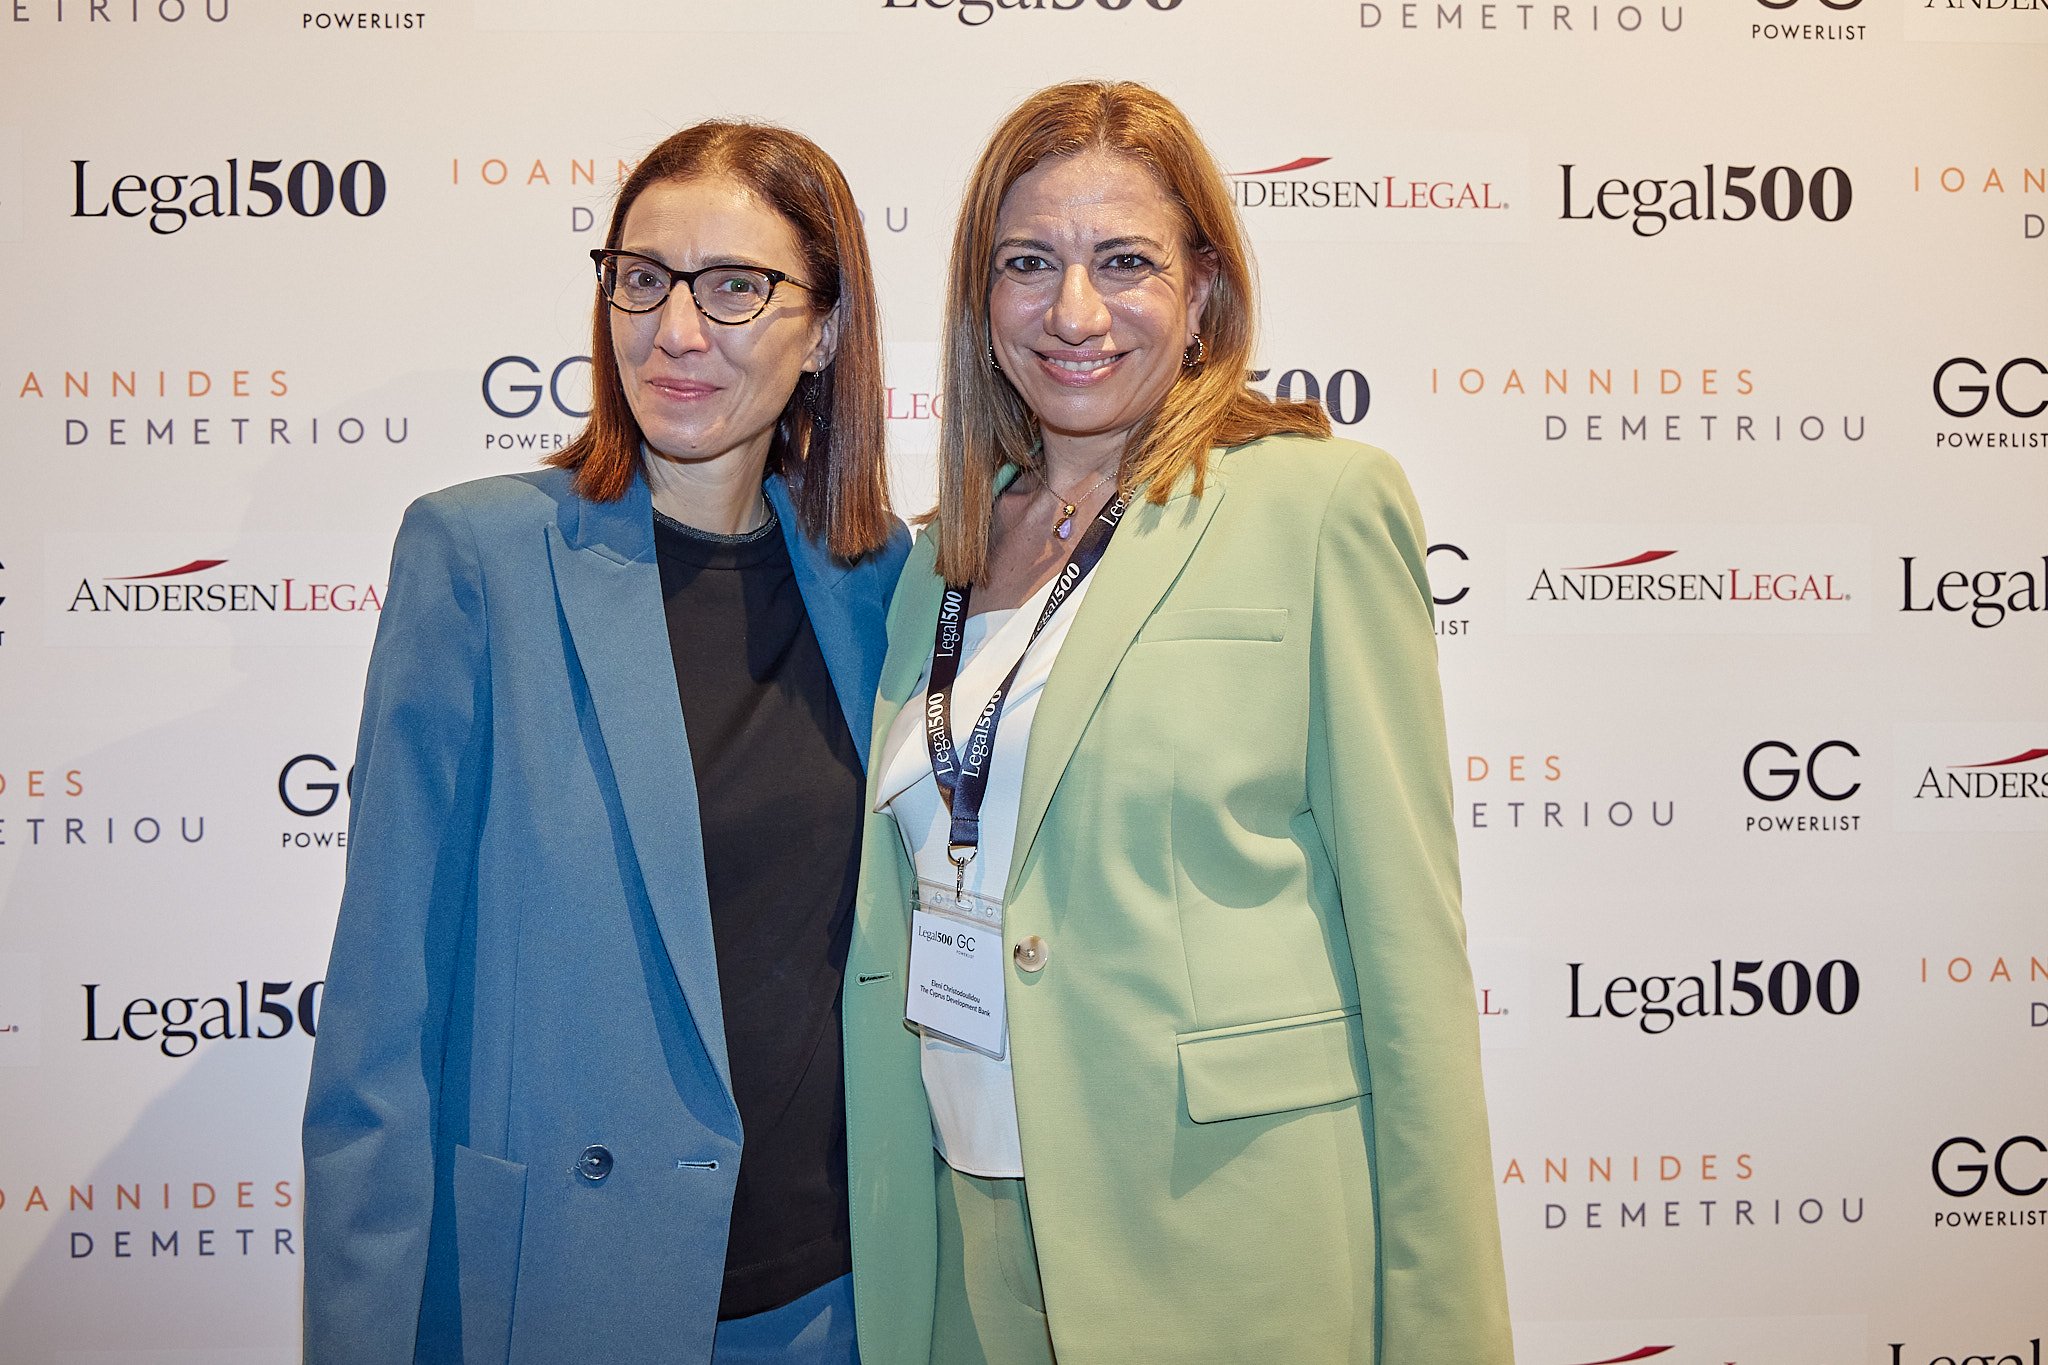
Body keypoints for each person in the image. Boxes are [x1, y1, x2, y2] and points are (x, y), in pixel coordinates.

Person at [842, 81, 1513, 1364]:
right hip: (962, 1228)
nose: (1072, 311)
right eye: (1026, 263)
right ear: (980, 299)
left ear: (1201, 287)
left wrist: (1447, 1335)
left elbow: (1408, 953)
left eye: (1124, 261)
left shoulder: (1316, 508)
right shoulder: (938, 560)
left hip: (1222, 1235)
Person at [302, 120, 907, 1365]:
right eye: (642, 279)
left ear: (824, 331)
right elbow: (381, 1013)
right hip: (574, 1288)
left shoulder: (878, 581)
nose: (675, 330)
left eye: (734, 287)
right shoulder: (480, 560)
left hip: (840, 1302)